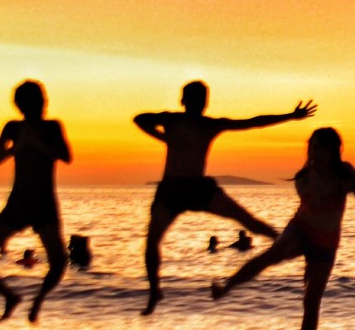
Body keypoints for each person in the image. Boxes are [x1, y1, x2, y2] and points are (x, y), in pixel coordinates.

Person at [133, 80, 315, 315]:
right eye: (195, 99)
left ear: (205, 103)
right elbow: (140, 119)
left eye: (203, 99)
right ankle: (155, 291)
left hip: (198, 187)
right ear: (184, 101)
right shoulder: (172, 119)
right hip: (171, 189)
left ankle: (289, 243)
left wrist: (290, 116)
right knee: (151, 242)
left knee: (247, 220)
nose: (200, 103)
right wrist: (161, 137)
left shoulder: (209, 125)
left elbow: (252, 122)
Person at [212, 128, 355, 330]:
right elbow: (314, 203)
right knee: (269, 256)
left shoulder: (345, 172)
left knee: (311, 301)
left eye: (321, 148)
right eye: (313, 148)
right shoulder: (304, 177)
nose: (316, 153)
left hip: (326, 241)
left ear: (333, 151)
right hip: (301, 230)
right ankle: (227, 286)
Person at [0, 80, 71, 322]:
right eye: (36, 100)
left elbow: (66, 156)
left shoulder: (52, 127)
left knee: (59, 262)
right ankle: (10, 296)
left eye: (43, 99)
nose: (42, 104)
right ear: (22, 106)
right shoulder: (12, 128)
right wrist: (17, 147)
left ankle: (37, 303)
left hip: (44, 201)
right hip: (19, 201)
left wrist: (39, 145)